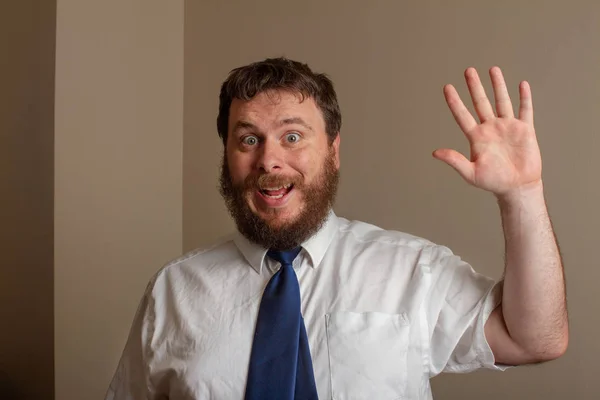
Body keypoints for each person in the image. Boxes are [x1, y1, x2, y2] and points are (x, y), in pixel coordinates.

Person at [105, 57, 568, 399]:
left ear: (333, 150)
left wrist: (522, 195)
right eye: (248, 139)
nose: (269, 159)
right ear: (227, 154)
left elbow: (535, 339)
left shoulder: (411, 270)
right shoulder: (173, 290)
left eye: (292, 136)